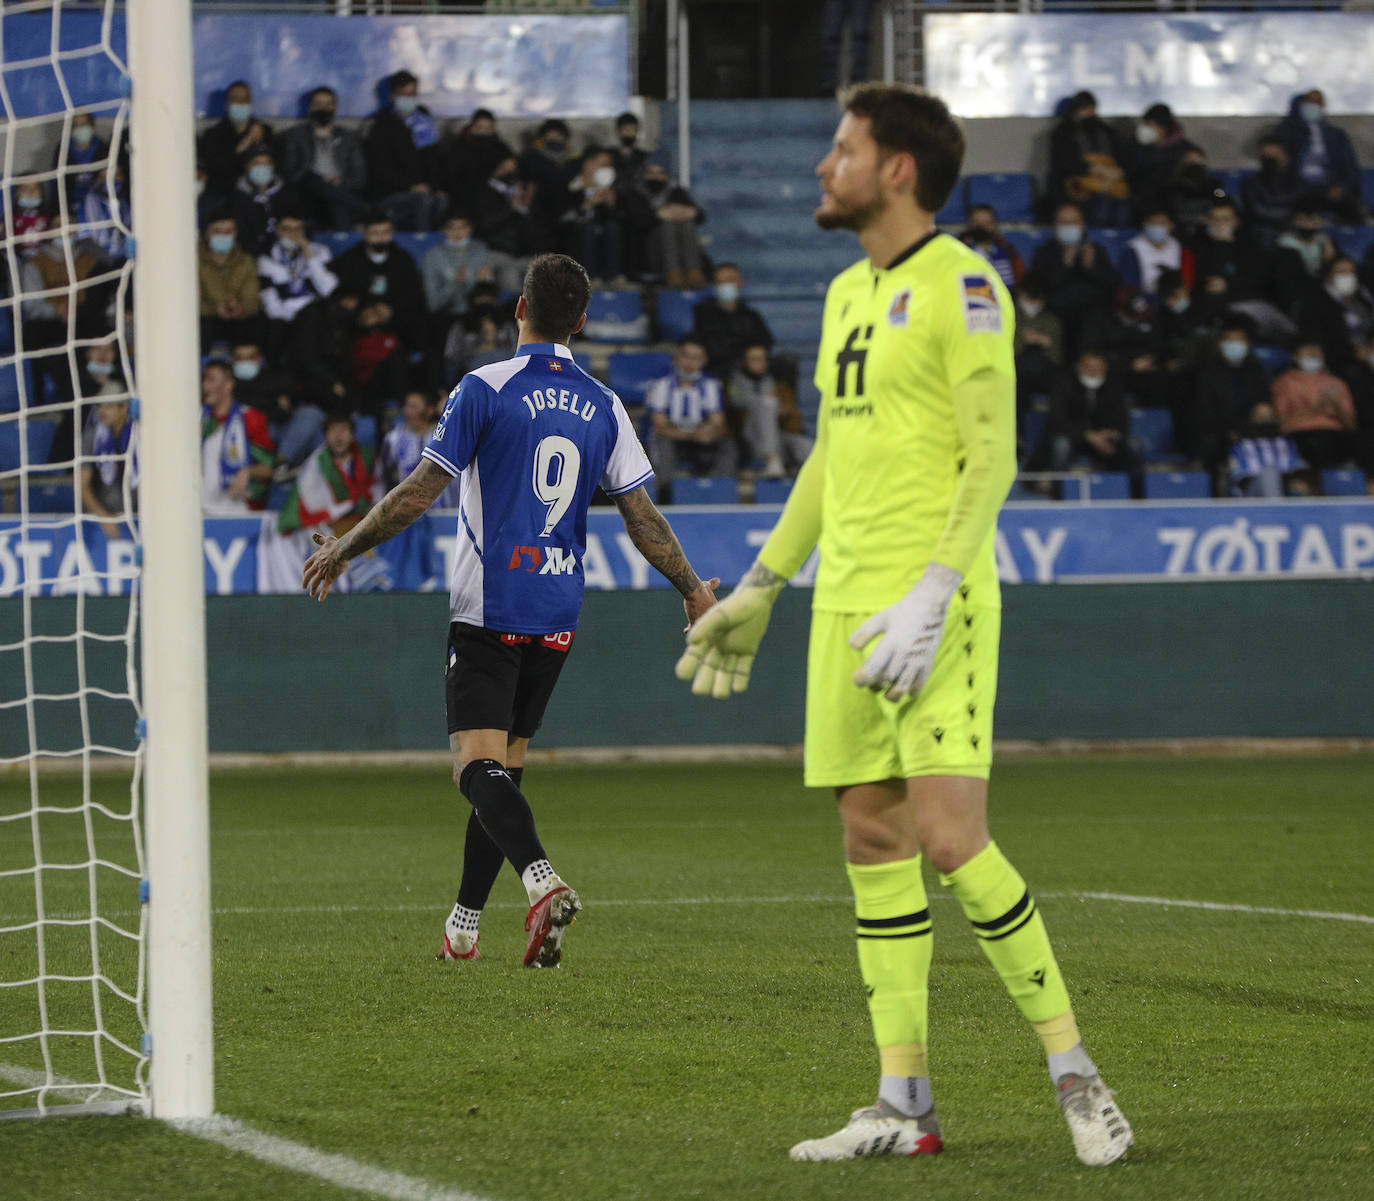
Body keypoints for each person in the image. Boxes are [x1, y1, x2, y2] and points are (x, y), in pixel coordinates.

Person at [677, 83, 1132, 1168]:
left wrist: (935, 588)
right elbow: (832, 457)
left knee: (950, 839)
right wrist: (764, 585)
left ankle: (1078, 1074)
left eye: (840, 150)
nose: (821, 168)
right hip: (845, 607)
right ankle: (904, 1103)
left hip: (938, 606)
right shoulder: (843, 296)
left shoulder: (964, 287)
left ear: (895, 170)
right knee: (872, 840)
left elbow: (994, 454)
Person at [301, 252, 718, 970]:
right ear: (582, 322)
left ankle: (541, 881)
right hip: (558, 604)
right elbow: (642, 516)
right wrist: (693, 588)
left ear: (518, 310)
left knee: (471, 764)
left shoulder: (484, 387)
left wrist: (345, 546)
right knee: (504, 768)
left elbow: (418, 492)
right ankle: (463, 926)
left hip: (490, 603)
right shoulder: (604, 404)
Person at [645, 337, 733, 493]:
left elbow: (718, 423)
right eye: (686, 356)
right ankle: (664, 493)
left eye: (696, 358)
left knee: (727, 445)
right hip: (674, 437)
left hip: (700, 438)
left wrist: (708, 433)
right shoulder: (662, 385)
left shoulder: (711, 385)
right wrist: (691, 435)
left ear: (704, 361)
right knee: (661, 443)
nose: (690, 363)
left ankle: (721, 490)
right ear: (677, 358)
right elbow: (660, 426)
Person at [1027, 204, 1119, 349]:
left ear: (1082, 224)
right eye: (1063, 222)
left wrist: (1091, 268)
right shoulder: (1044, 253)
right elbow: (1037, 288)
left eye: (1073, 222)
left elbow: (1113, 284)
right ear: (1055, 225)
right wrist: (1065, 266)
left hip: (1091, 316)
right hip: (1058, 315)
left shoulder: (1095, 251)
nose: (1069, 226)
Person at [365, 70, 446, 231]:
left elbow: (432, 160)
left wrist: (437, 188)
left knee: (442, 202)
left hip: (424, 189)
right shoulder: (380, 126)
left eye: (412, 94)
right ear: (393, 96)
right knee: (422, 200)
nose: (409, 99)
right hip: (390, 192)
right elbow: (379, 169)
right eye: (403, 94)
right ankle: (422, 245)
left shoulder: (424, 122)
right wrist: (410, 186)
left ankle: (435, 246)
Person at [257, 211, 339, 366]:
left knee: (313, 318)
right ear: (277, 231)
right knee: (276, 329)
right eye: (287, 229)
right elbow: (271, 305)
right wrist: (294, 317)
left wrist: (309, 255)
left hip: (313, 312)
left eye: (297, 229)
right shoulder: (266, 258)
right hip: (283, 315)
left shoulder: (320, 252)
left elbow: (328, 289)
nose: (293, 234)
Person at [280, 86, 368, 231]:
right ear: (310, 107)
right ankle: (364, 208)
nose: (323, 108)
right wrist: (318, 180)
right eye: (318, 104)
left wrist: (340, 181)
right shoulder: (294, 136)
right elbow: (289, 174)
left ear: (335, 107)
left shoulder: (349, 137)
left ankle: (343, 244)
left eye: (328, 104)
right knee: (313, 179)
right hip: (307, 190)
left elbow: (360, 177)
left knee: (338, 205)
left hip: (340, 189)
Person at [200, 359, 274, 515]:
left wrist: (248, 472)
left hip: (236, 511)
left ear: (229, 385)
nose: (205, 386)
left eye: (211, 380)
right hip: (198, 510)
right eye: (204, 380)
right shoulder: (197, 418)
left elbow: (268, 467)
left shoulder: (250, 418)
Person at [1047, 90, 1130, 227]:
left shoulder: (1106, 132)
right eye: (1084, 109)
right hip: (1076, 188)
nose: (1089, 113)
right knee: (1100, 206)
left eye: (1091, 109)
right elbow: (1064, 163)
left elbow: (1123, 159)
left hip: (1109, 184)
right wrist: (1094, 169)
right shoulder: (1062, 133)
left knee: (1123, 207)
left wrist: (1118, 172)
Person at [1278, 88, 1362, 223]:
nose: (1313, 106)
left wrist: (1341, 186)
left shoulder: (1336, 135)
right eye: (1309, 102)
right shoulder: (1289, 130)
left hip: (1329, 186)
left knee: (1352, 207)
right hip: (1299, 187)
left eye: (1317, 103)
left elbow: (1349, 167)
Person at [728, 343, 813, 477]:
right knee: (768, 403)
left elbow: (794, 420)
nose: (761, 363)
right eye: (755, 359)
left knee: (803, 444)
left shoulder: (775, 384)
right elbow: (736, 413)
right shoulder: (735, 384)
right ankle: (773, 460)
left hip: (775, 440)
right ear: (744, 362)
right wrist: (769, 406)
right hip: (748, 441)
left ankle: (823, 474)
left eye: (763, 359)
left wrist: (783, 412)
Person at [1272, 341, 1358, 469]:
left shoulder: (1337, 383)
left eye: (1317, 354)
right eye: (1308, 353)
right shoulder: (1284, 382)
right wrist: (1317, 409)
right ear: (1295, 357)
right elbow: (1280, 422)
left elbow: (1351, 425)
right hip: (1298, 434)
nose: (1313, 357)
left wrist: (1336, 407)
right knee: (1316, 444)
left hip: (1334, 434)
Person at [691, 263, 774, 380]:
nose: (725, 285)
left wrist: (752, 356)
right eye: (720, 281)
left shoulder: (750, 315)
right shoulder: (704, 313)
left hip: (750, 365)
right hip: (720, 367)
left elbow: (766, 341)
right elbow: (710, 346)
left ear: (741, 283)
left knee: (784, 362)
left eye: (730, 280)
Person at [634, 159, 707, 288]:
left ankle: (691, 272)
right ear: (643, 174)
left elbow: (700, 216)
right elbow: (634, 224)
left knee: (686, 223)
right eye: (651, 172)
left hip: (680, 246)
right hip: (647, 250)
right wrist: (658, 214)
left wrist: (688, 212)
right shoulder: (636, 193)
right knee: (668, 224)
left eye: (660, 172)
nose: (655, 177)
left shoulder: (675, 192)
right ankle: (674, 272)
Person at [1295, 256, 1374, 374]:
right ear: (1328, 276)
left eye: (1351, 272)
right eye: (1342, 272)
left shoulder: (1361, 297)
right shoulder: (1314, 303)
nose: (1348, 276)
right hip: (1342, 362)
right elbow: (1317, 342)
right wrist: (1353, 353)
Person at [558, 148, 626, 284]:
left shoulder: (613, 191)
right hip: (575, 237)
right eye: (601, 165)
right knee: (587, 228)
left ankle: (614, 276)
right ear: (588, 165)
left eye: (608, 166)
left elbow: (625, 219)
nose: (605, 170)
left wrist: (612, 206)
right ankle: (588, 277)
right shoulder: (569, 187)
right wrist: (586, 206)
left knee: (612, 227)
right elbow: (562, 219)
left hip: (603, 234)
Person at [198, 80, 275, 198]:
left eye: (245, 99)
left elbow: (275, 166)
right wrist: (244, 145)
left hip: (259, 192)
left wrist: (259, 143)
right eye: (236, 99)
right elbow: (215, 169)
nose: (241, 103)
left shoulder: (266, 131)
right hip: (226, 193)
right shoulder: (212, 135)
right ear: (227, 104)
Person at [198, 212, 261, 352]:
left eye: (228, 231)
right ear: (207, 233)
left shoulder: (246, 261)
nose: (223, 236)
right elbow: (191, 301)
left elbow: (252, 300)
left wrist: (240, 308)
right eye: (217, 231)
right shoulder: (194, 261)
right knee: (200, 327)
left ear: (235, 233)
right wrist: (215, 309)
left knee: (254, 325)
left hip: (237, 318)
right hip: (207, 318)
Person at [80, 386, 137, 539]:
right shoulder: (91, 437)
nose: (102, 412)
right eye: (100, 406)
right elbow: (81, 484)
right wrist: (102, 516)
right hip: (105, 513)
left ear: (124, 408)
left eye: (109, 406)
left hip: (144, 514)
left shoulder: (142, 435)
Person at [422, 212, 496, 326]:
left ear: (470, 229)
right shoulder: (433, 256)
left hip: (478, 314)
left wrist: (486, 283)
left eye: (462, 227)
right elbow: (433, 304)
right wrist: (455, 284)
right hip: (446, 316)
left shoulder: (481, 250)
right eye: (451, 228)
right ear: (443, 230)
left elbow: (491, 296)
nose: (457, 233)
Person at [1226, 401, 1306, 498]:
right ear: (1252, 418)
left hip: (1285, 489)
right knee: (1269, 472)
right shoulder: (1240, 446)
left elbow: (1299, 467)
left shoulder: (1286, 443)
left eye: (1268, 416)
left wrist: (1300, 480)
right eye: (1260, 416)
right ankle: (1274, 510)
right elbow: (1236, 476)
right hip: (1251, 494)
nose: (1264, 419)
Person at [230, 148, 300, 253]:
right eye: (256, 163)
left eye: (266, 163)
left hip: (285, 249)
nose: (262, 167)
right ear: (247, 166)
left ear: (273, 166)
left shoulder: (288, 192)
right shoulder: (236, 197)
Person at [1240, 137, 1306, 247]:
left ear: (1286, 157)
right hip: (1259, 238)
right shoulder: (1249, 184)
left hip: (1293, 237)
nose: (1271, 159)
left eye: (1275, 155)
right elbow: (1258, 211)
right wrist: (1290, 215)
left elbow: (1302, 210)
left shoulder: (1299, 184)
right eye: (1266, 155)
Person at [1127, 102, 1187, 220]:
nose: (1145, 129)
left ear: (1163, 128)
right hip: (1141, 198)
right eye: (1145, 124)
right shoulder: (1133, 147)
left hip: (1170, 198)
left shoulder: (1182, 149)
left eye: (1151, 125)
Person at [1121, 208, 1192, 298]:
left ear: (1171, 226)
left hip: (1173, 299)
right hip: (1144, 299)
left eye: (1161, 223)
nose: (1157, 226)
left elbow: (1186, 281)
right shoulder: (1132, 249)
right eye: (1153, 222)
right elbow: (1130, 285)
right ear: (1145, 224)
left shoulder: (1179, 248)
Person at [957, 204, 1024, 292]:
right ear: (969, 225)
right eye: (976, 223)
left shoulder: (1008, 250)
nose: (981, 227)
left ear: (995, 225)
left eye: (987, 223)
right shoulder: (958, 251)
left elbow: (1021, 279)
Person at [53, 111, 108, 210]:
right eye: (76, 125)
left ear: (93, 128)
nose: (80, 128)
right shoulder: (62, 149)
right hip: (70, 205)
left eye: (83, 124)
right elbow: (57, 185)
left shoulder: (103, 148)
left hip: (99, 203)